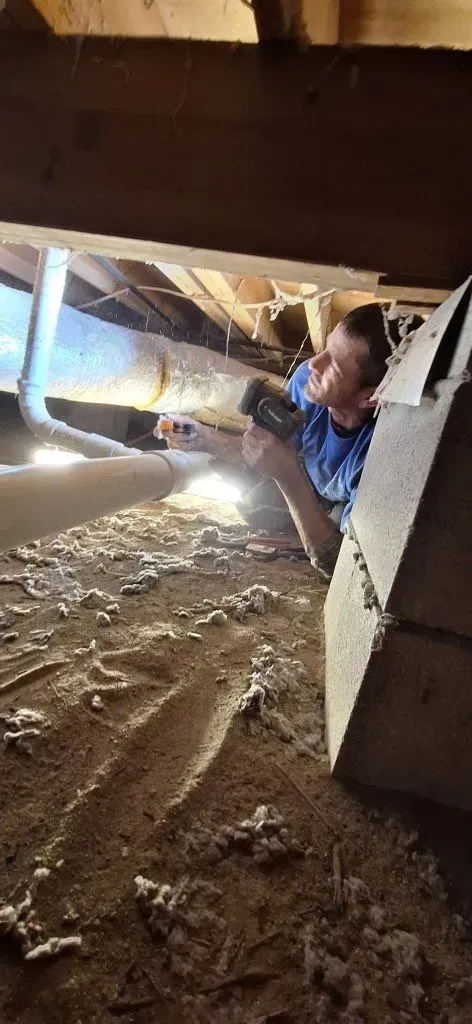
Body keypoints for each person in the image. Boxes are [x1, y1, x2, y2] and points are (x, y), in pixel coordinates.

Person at [163, 303, 422, 578]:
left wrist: (288, 478)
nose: (314, 363)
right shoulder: (306, 384)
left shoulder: (379, 455)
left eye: (333, 363)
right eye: (327, 348)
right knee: (255, 502)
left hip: (346, 504)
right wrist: (202, 437)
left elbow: (341, 568)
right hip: (313, 483)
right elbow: (265, 450)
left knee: (333, 524)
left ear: (369, 397)